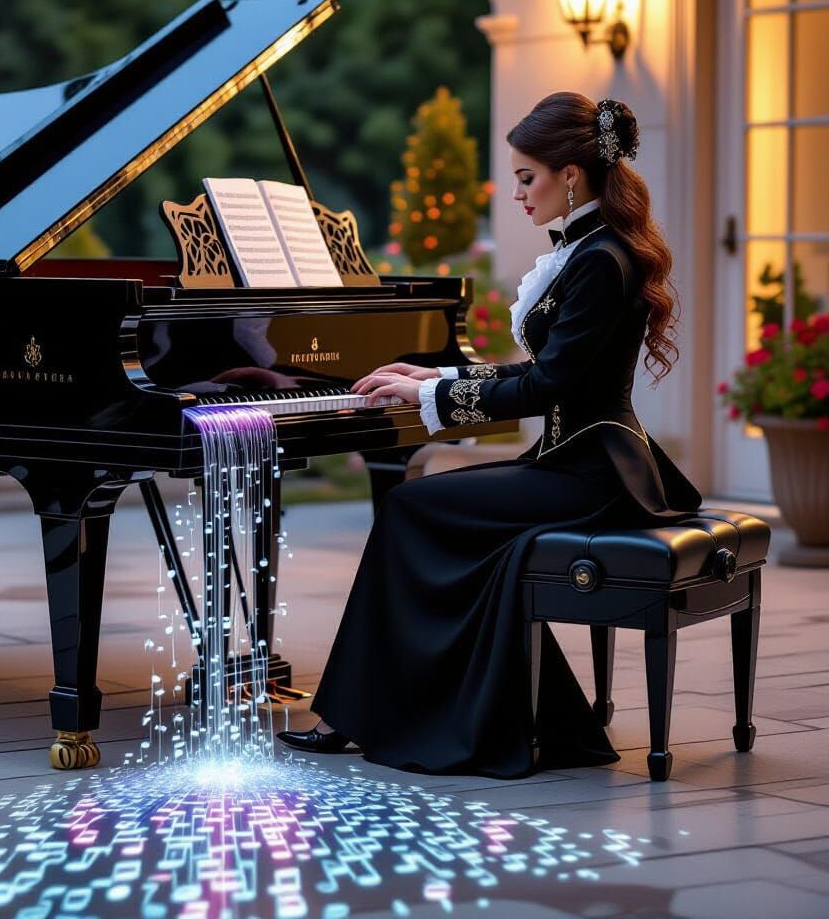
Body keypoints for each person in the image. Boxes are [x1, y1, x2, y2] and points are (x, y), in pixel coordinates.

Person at [277, 92, 703, 779]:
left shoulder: (600, 260)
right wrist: (435, 372)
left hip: (593, 476)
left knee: (412, 509)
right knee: (426, 512)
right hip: (576, 464)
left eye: (525, 176)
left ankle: (364, 715)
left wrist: (428, 395)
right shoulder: (593, 249)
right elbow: (548, 368)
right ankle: (433, 708)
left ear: (570, 173)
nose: (514, 193)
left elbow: (545, 386)